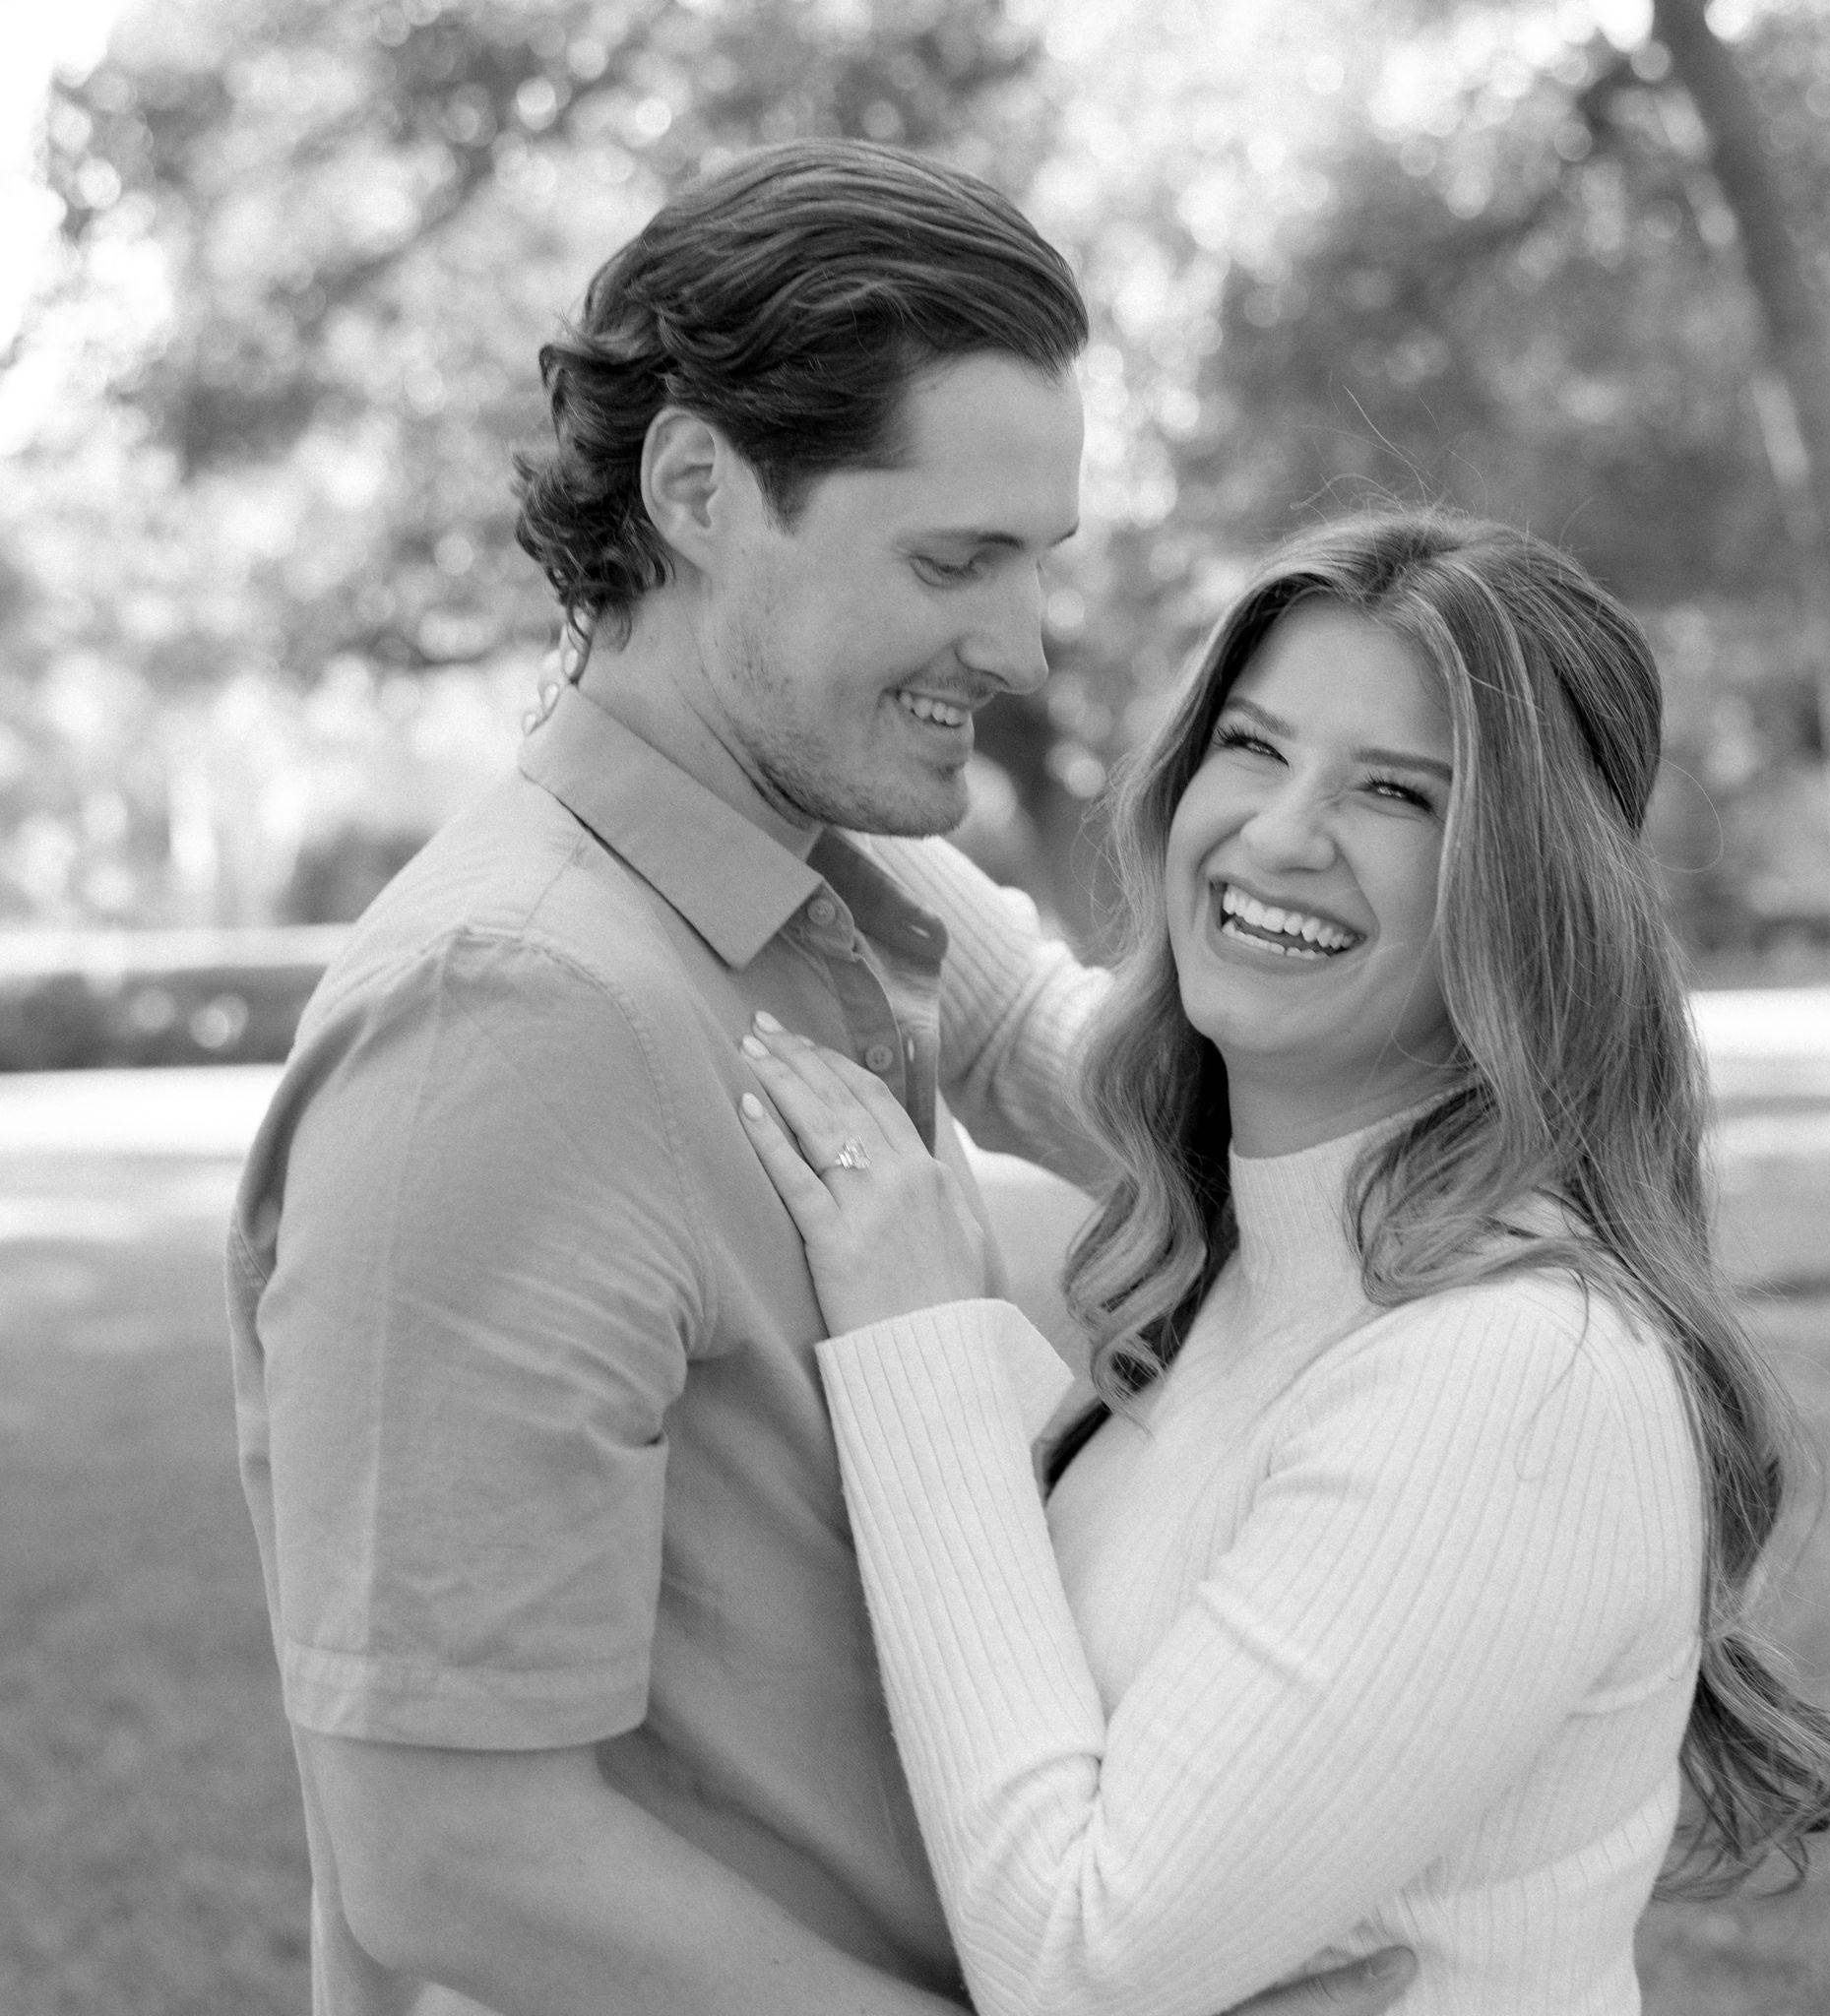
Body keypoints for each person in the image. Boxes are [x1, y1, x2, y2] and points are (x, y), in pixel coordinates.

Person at [227, 141, 1417, 2016]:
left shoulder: (818, 888)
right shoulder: (513, 1019)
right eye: (953, 561)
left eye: (1037, 563)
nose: (1020, 648)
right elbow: (449, 1854)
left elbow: (1138, 1091)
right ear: (697, 489)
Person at [738, 509, 1830, 2016]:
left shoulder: (1510, 1378)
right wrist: (670, 634)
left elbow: (1075, 1965)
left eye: (1395, 790)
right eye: (1253, 747)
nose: (1278, 834)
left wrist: (918, 1338)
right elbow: (1000, 1006)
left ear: (1530, 886)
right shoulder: (1271, 1210)